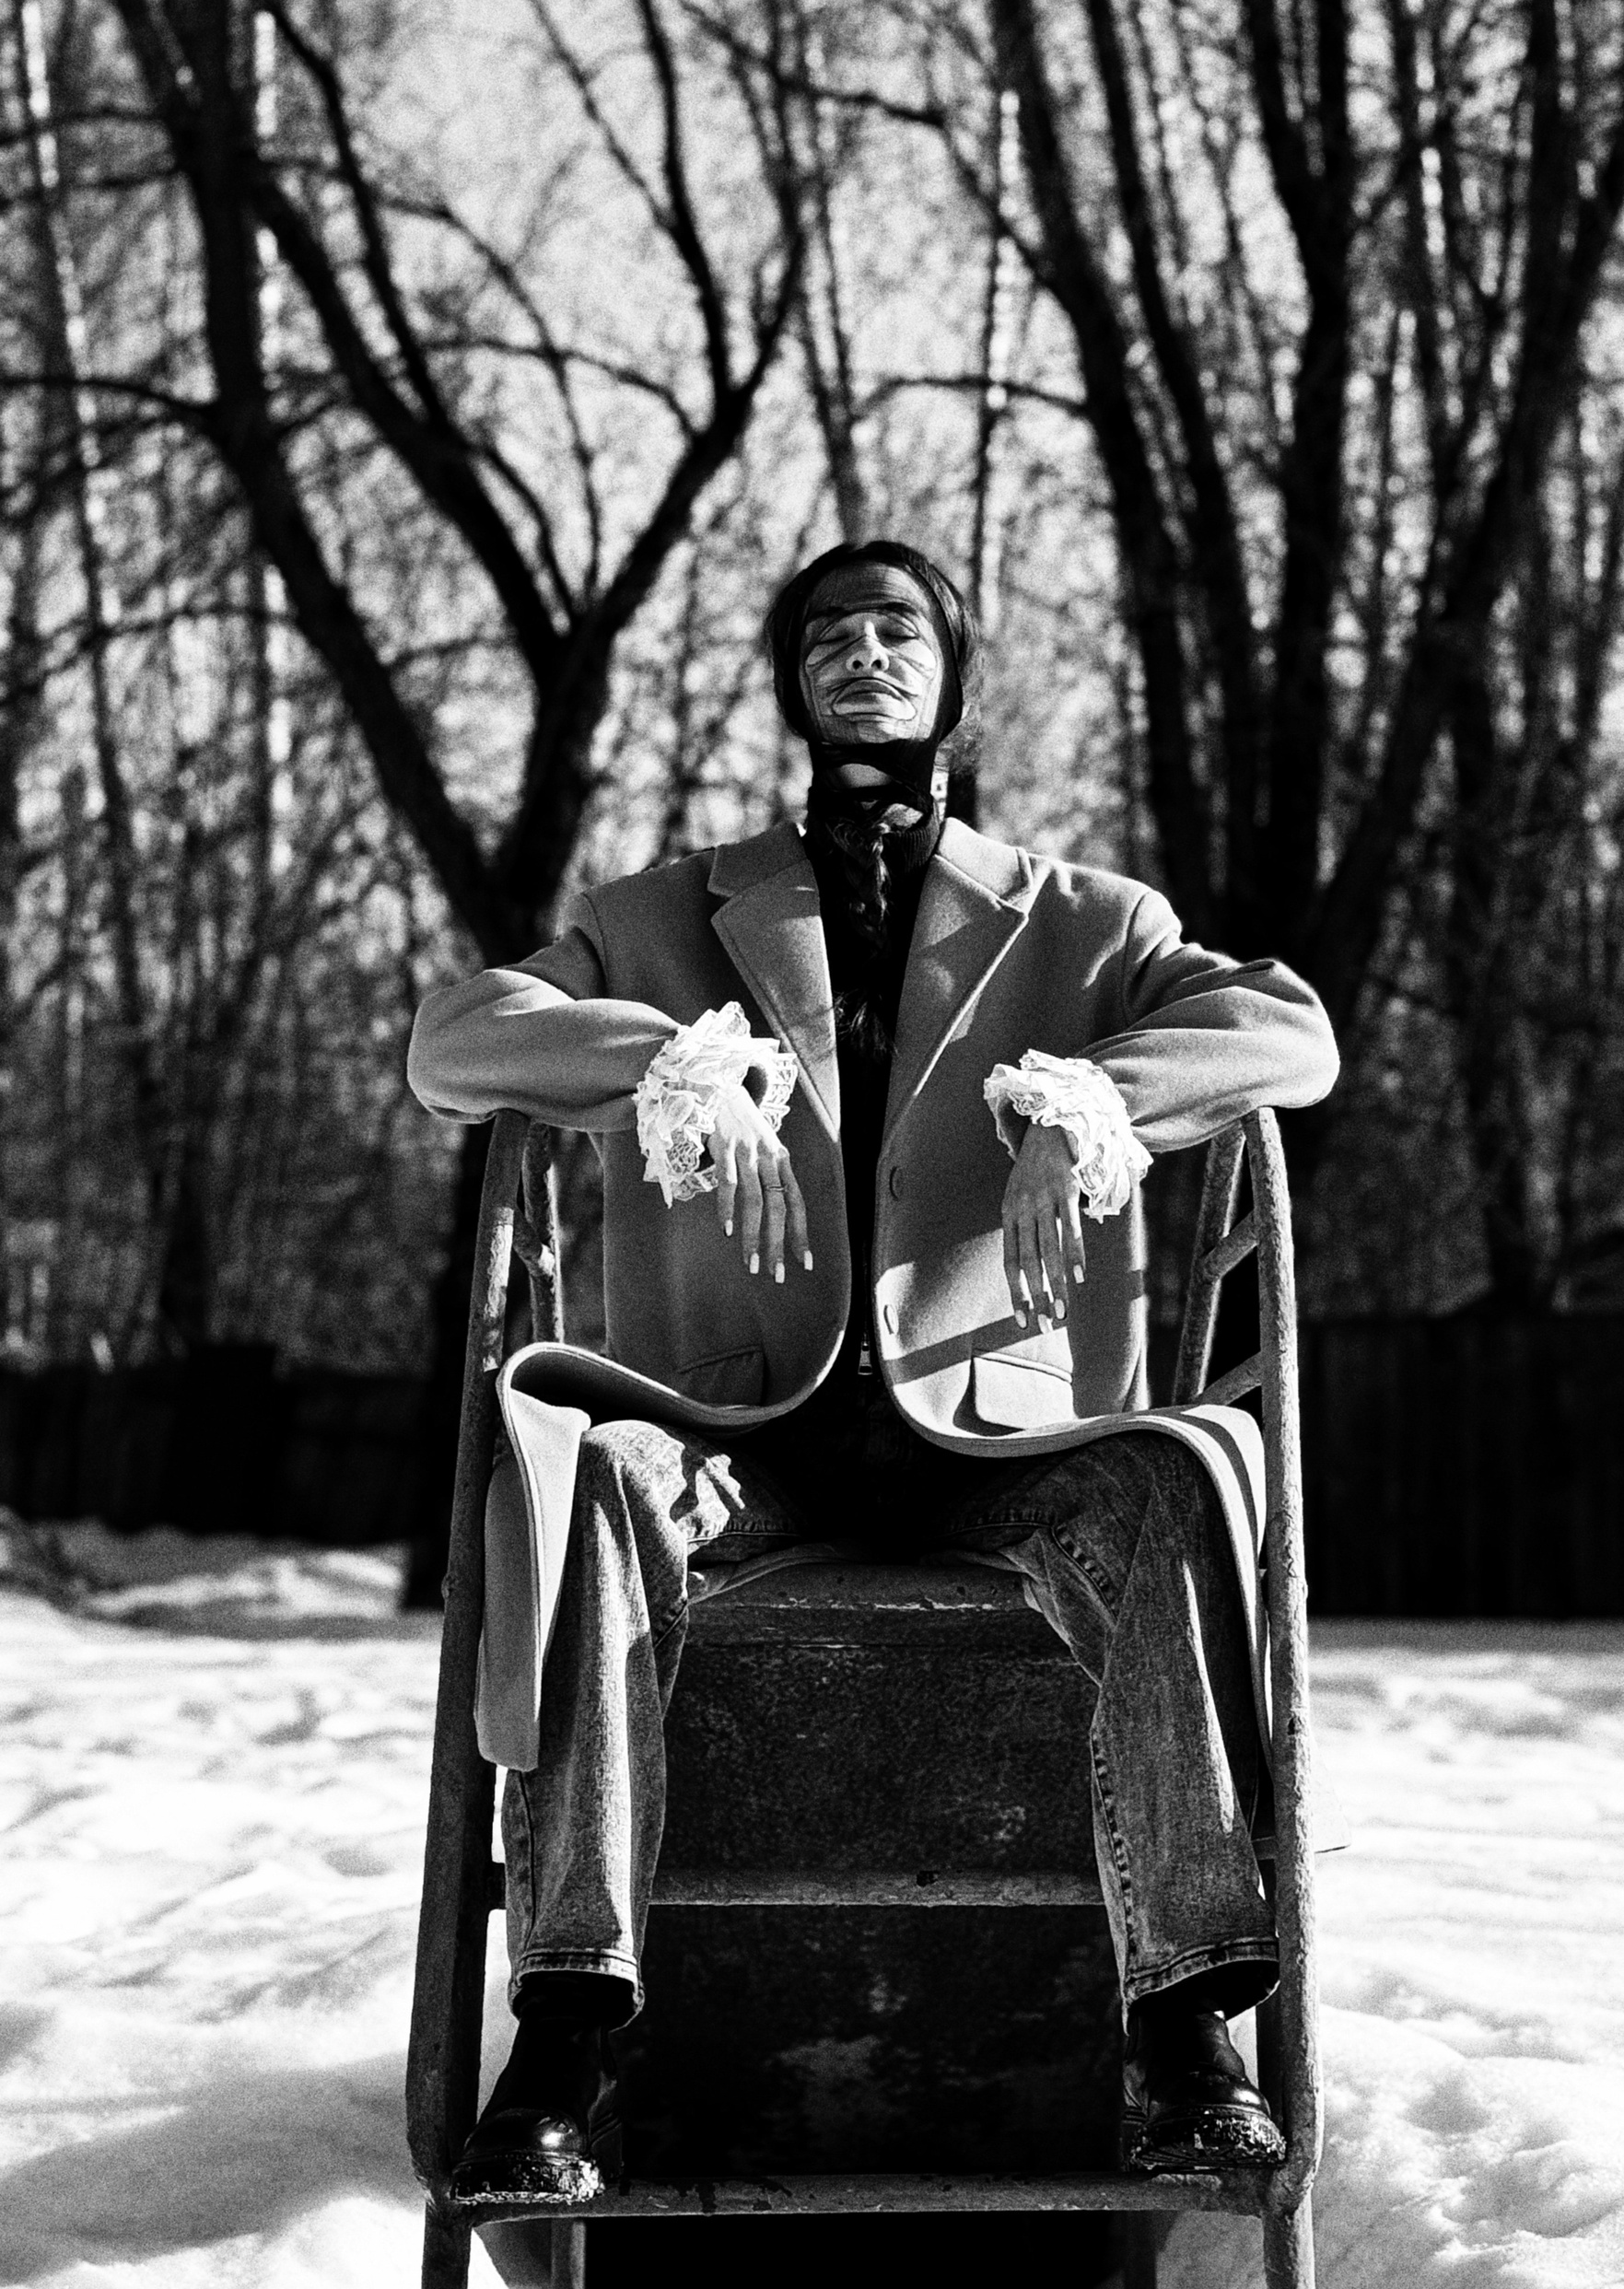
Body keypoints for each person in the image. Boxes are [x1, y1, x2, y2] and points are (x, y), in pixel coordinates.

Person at [407, 540, 1338, 2203]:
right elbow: (456, 1040)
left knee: (1165, 1489)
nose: (863, 654)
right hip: (739, 1429)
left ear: (952, 676)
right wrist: (674, 1062)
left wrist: (1091, 1101)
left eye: (898, 628)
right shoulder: (656, 918)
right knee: (594, 1481)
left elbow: (1290, 1032)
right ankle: (562, 2036)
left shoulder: (1087, 922)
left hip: (996, 1435)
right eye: (827, 632)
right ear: (794, 680)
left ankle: (1187, 2033)